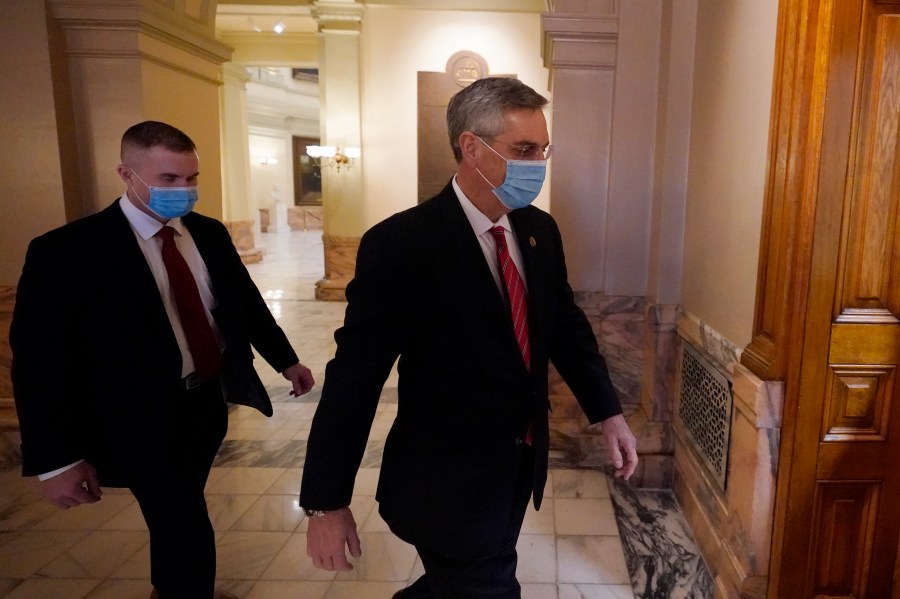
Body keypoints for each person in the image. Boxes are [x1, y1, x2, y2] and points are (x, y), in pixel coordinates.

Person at [299, 77, 638, 598]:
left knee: (459, 583)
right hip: (444, 481)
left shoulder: (537, 231)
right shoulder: (402, 245)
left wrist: (608, 412)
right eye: (523, 150)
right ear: (470, 147)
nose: (537, 165)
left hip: (517, 466)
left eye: (542, 150)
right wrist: (326, 500)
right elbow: (354, 379)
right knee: (489, 588)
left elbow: (565, 327)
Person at [10, 120, 315, 599]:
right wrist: (55, 460)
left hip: (204, 406)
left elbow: (243, 303)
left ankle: (168, 588)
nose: (185, 191)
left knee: (178, 510)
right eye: (169, 180)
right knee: (184, 520)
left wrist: (285, 360)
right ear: (126, 174)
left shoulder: (206, 234)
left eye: (191, 178)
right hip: (136, 417)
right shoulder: (67, 251)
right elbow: (38, 363)